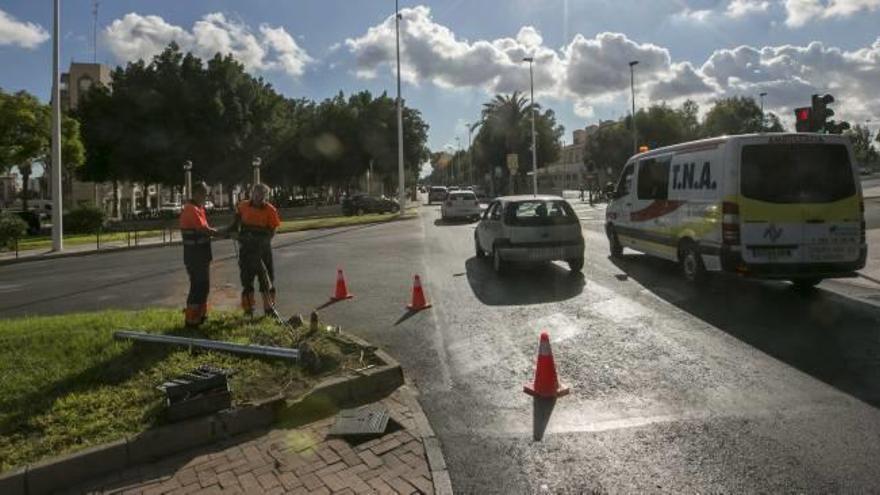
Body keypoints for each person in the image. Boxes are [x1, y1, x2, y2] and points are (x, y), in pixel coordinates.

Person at [230, 183, 281, 317]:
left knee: (267, 279)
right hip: (246, 249)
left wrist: (263, 243)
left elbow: (273, 230)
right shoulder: (242, 206)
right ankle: (248, 310)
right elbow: (235, 225)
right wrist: (234, 233)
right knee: (247, 280)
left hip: (263, 250)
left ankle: (269, 310)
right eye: (256, 193)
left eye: (262, 194)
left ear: (266, 196)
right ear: (252, 193)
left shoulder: (271, 210)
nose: (259, 197)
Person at [179, 182, 218, 328]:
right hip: (194, 255)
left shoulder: (198, 208)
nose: (205, 196)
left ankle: (200, 316)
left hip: (201, 254)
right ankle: (191, 321)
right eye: (203, 193)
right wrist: (221, 233)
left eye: (206, 193)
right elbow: (203, 229)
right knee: (197, 286)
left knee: (203, 286)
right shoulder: (191, 209)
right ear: (195, 193)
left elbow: (205, 229)